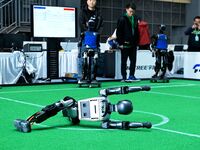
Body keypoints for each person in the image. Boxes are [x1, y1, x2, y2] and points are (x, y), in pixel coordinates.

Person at [78, 0, 103, 82]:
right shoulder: (82, 12)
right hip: (85, 38)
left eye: (94, 0)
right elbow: (81, 24)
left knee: (94, 59)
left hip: (95, 39)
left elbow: (101, 25)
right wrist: (88, 33)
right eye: (90, 0)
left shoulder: (98, 12)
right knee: (83, 58)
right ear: (87, 1)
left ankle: (93, 77)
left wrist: (96, 34)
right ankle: (82, 77)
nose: (92, 2)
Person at [116, 2, 140, 82]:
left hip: (133, 44)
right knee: (124, 61)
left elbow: (137, 31)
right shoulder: (122, 18)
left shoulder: (135, 18)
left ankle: (132, 75)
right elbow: (118, 32)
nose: (131, 13)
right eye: (130, 11)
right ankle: (124, 77)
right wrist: (120, 43)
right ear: (126, 10)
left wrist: (137, 42)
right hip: (124, 44)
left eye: (133, 11)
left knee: (133, 61)